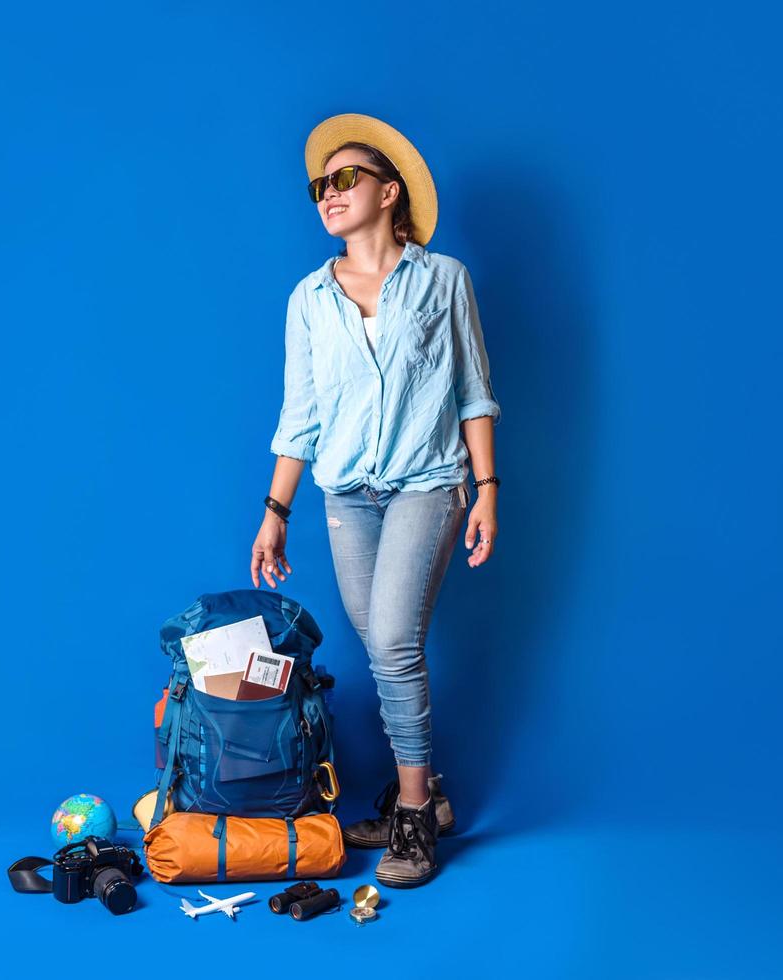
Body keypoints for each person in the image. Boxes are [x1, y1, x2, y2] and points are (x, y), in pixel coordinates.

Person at [249, 113, 501, 888]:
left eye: (346, 178)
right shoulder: (308, 298)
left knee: (392, 641)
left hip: (429, 483)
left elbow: (472, 394)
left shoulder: (444, 279)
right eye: (320, 185)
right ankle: (419, 795)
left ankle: (417, 818)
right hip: (345, 495)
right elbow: (303, 415)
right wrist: (275, 512)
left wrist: (487, 489)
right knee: (383, 649)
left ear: (389, 192)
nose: (329, 192)